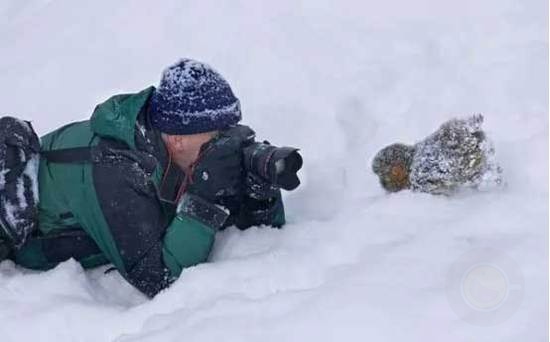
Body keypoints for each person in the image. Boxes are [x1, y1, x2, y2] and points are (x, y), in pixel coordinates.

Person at [0, 59, 288, 297]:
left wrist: (259, 195)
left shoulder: (172, 151)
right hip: (34, 242)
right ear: (177, 140)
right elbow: (160, 279)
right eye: (218, 136)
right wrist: (204, 199)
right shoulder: (115, 171)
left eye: (231, 130)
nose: (226, 144)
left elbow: (258, 233)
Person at [372, 114, 503, 195]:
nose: (384, 181)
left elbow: (446, 196)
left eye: (386, 174)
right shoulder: (421, 151)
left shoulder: (419, 177)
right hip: (474, 143)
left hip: (471, 158)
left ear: (397, 169)